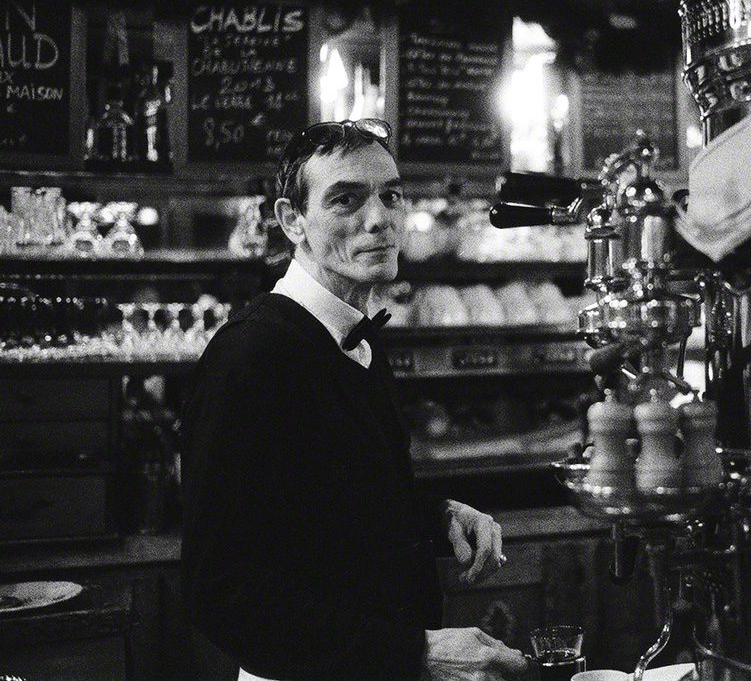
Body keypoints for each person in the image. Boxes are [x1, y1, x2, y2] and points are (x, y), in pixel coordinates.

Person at [182, 118, 530, 680]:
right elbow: (221, 593)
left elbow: (325, 508)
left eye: (391, 196)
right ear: (292, 220)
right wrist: (420, 652)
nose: (379, 219)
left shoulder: (353, 334)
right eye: (346, 200)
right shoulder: (250, 357)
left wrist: (436, 517)